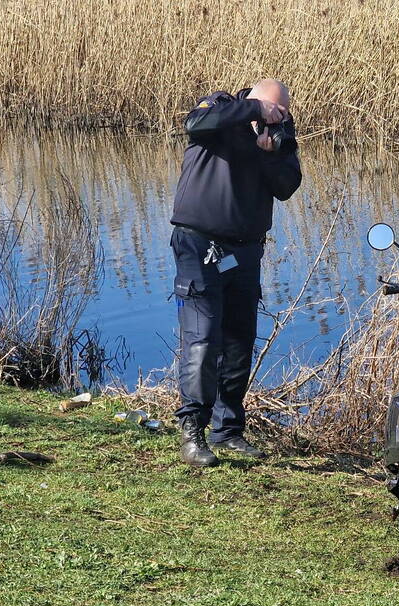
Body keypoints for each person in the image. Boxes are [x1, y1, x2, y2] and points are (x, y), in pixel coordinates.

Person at [170, 79, 302, 467]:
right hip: (198, 246)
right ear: (252, 100)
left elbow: (287, 186)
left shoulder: (278, 133)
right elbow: (195, 125)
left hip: (243, 253)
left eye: (281, 113)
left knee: (238, 341)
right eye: (270, 110)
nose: (274, 118)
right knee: (203, 337)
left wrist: (270, 151)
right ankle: (193, 433)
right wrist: (253, 112)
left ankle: (228, 431)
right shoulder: (221, 109)